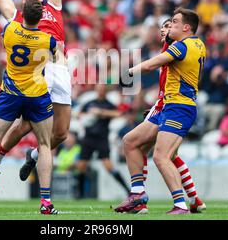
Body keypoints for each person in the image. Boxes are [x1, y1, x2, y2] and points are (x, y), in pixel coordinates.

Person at [0, 0, 71, 183]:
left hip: (60, 69)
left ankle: (32, 156)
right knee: (24, 126)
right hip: (36, 72)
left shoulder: (53, 6)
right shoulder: (17, 17)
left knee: (62, 133)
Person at [114, 18, 205, 214]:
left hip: (178, 106)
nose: (166, 29)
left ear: (185, 27)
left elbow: (150, 66)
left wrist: (129, 71)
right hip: (166, 105)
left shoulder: (179, 47)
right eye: (165, 26)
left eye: (170, 24)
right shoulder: (190, 44)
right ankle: (138, 195)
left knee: (163, 155)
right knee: (131, 142)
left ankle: (180, 204)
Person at [0, 0, 58, 215]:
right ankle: (46, 202)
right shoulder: (47, 40)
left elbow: (0, 0)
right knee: (44, 146)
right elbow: (54, 58)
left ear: (22, 14)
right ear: (41, 17)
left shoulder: (10, 29)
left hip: (11, 93)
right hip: (37, 95)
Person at [76, 84, 129, 198]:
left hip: (102, 138)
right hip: (88, 138)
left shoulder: (108, 105)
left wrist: (100, 113)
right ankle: (80, 195)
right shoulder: (90, 103)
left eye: (102, 89)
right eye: (99, 89)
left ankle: (127, 190)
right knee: (81, 166)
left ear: (105, 91)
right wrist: (89, 116)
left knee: (108, 165)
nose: (100, 91)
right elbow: (79, 114)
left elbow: (118, 113)